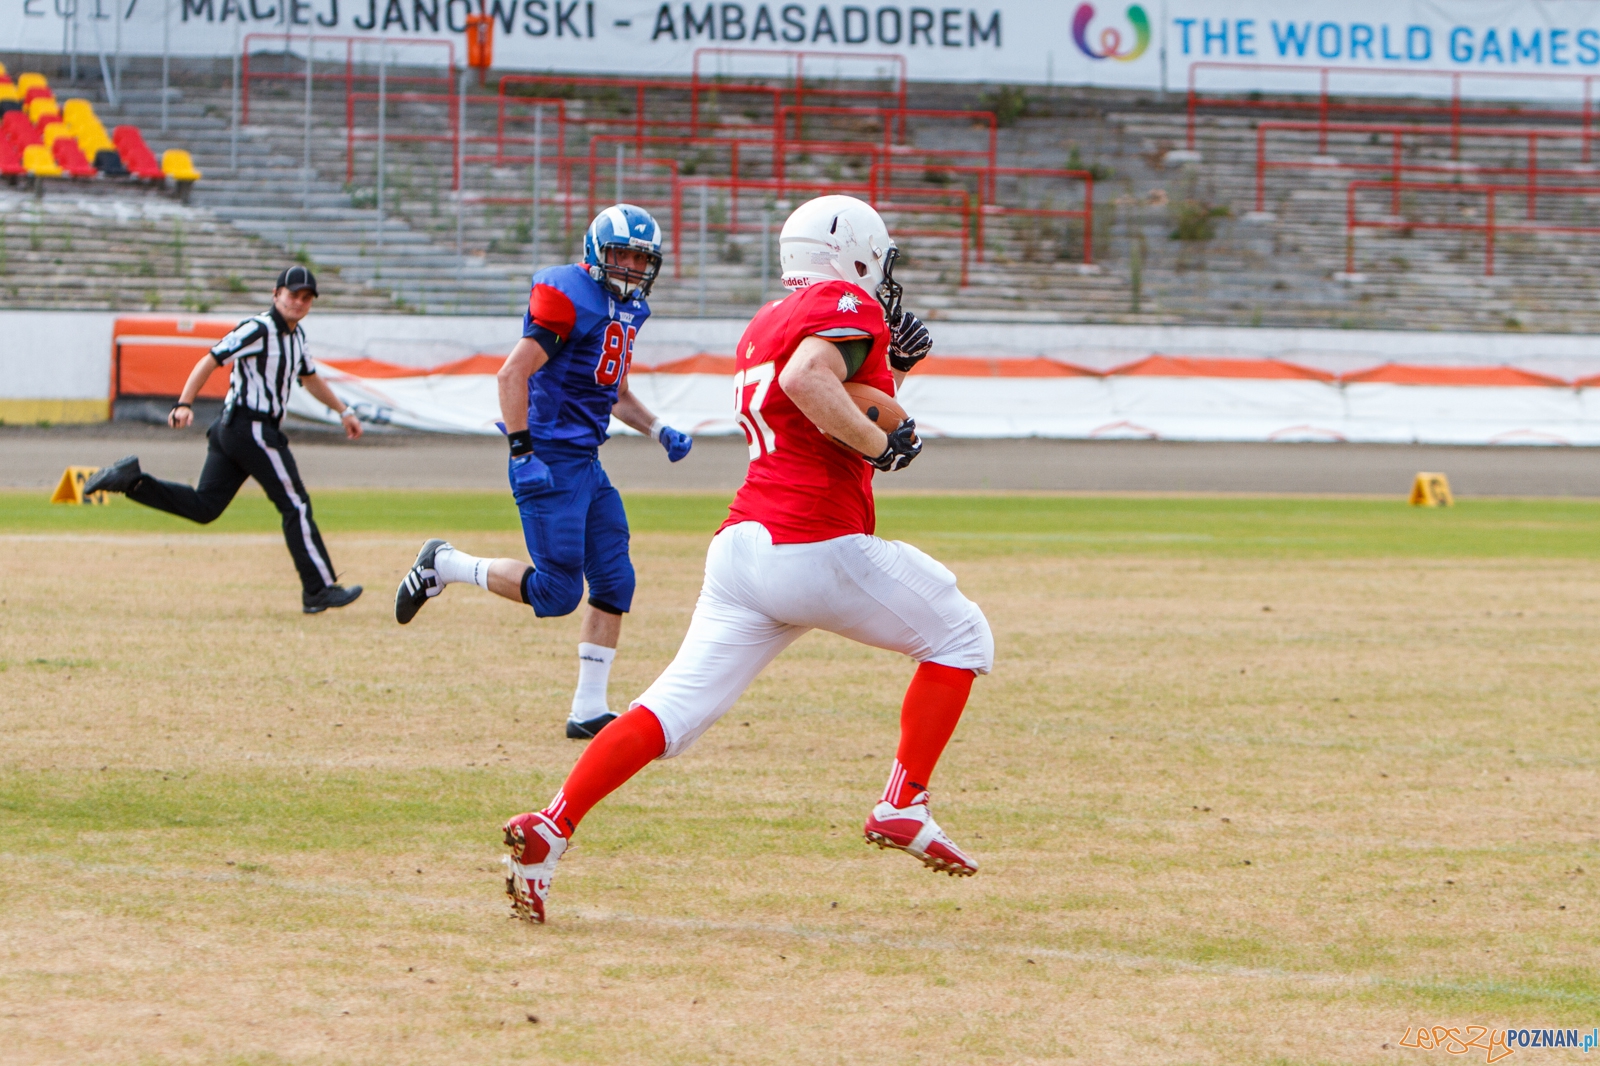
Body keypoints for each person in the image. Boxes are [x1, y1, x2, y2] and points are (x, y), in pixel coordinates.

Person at [499, 194, 993, 924]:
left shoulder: (768, 320)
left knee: (667, 712)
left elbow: (825, 398)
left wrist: (895, 374)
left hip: (743, 547)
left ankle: (552, 824)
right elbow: (810, 383)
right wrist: (882, 444)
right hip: (810, 539)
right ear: (854, 252)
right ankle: (903, 802)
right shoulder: (847, 303)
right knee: (963, 636)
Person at [394, 204, 694, 739]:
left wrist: (657, 428)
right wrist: (521, 452)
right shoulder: (568, 295)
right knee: (558, 593)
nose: (630, 267)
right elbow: (511, 374)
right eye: (621, 255)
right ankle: (445, 563)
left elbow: (615, 391)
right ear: (596, 252)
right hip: (547, 457)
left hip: (586, 460)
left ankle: (588, 709)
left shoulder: (628, 308)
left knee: (615, 579)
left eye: (639, 259)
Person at [84, 266, 364, 614]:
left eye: (307, 298)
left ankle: (132, 482)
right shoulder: (259, 328)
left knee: (205, 507)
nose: (299, 302)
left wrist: (343, 410)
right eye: (293, 294)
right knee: (295, 504)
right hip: (252, 428)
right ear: (276, 294)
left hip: (234, 430)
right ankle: (318, 590)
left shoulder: (296, 336)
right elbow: (211, 358)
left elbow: (309, 378)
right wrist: (184, 403)